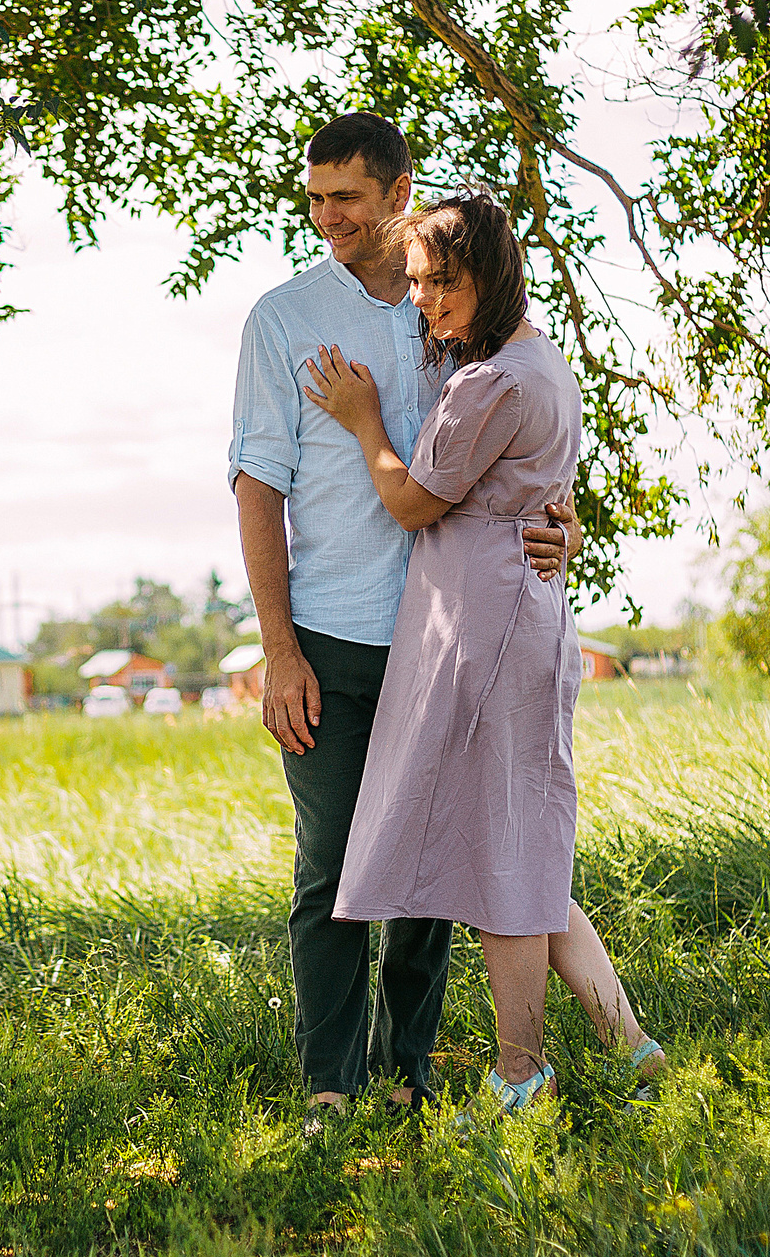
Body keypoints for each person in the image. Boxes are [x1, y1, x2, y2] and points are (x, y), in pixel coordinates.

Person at [229, 111, 577, 1118]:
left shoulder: (449, 306)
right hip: (331, 636)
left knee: (432, 870)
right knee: (332, 865)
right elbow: (257, 484)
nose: (325, 215)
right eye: (313, 197)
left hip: (450, 639)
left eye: (344, 195)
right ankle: (330, 1082)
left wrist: (566, 528)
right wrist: (278, 649)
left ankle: (406, 1072)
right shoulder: (284, 317)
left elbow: (521, 447)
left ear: (395, 191)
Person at [303, 189, 666, 1113]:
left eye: (444, 282)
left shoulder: (493, 380)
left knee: (506, 855)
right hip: (517, 615)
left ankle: (519, 1071)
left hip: (489, 630)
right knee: (529, 853)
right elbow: (530, 492)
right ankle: (629, 1043)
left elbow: (415, 501)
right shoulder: (537, 363)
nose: (426, 299)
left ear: (492, 274)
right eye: (419, 283)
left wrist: (362, 420)